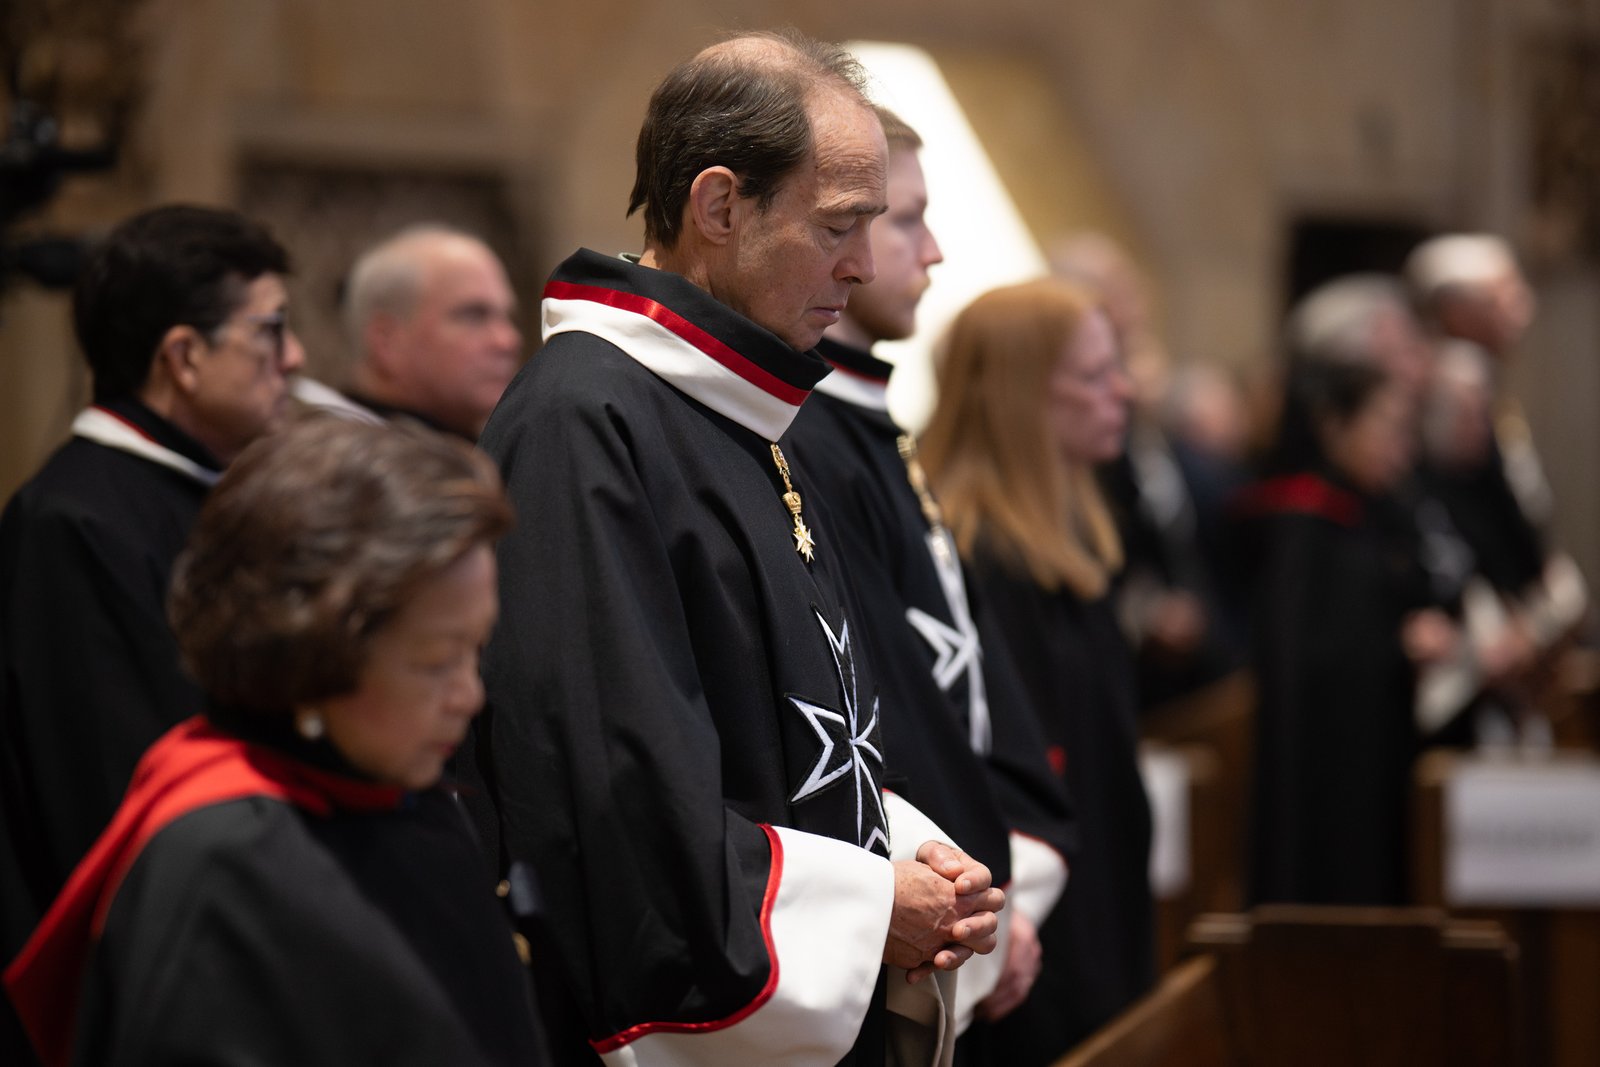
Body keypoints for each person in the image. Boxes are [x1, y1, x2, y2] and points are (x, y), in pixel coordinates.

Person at [460, 31, 1002, 1067]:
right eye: (837, 224)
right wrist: (866, 907)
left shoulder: (740, 406)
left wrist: (909, 848)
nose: (860, 263)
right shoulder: (585, 420)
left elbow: (797, 726)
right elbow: (612, 786)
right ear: (718, 207)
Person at [5, 417, 546, 1067]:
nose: (470, 695)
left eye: (476, 650)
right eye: (436, 662)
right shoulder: (224, 865)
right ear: (312, 651)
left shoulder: (398, 787)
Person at [781, 107, 1076, 1063]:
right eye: (903, 220)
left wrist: (1020, 871)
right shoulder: (807, 437)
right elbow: (884, 704)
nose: (932, 250)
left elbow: (967, 666)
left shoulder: (871, 422)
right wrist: (983, 901)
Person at [0, 205, 304, 974]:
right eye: (271, 330)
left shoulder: (206, 492)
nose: (296, 356)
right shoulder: (74, 522)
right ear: (184, 356)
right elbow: (119, 790)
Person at [921, 279, 1154, 1063]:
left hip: (1097, 908)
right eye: (1094, 375)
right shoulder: (980, 563)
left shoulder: (1072, 544)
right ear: (1021, 396)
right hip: (1038, 951)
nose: (1122, 390)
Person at [1233, 356, 1455, 905]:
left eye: (1406, 430)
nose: (1400, 448)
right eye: (1387, 427)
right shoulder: (1306, 519)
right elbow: (1302, 656)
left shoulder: (1384, 510)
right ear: (1336, 427)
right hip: (1327, 765)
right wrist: (1397, 646)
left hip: (1384, 745)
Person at [1406, 234, 1586, 745]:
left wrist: (1539, 619)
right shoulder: (1420, 408)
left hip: (1519, 644)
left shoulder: (1499, 409)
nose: (1522, 309)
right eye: (1502, 295)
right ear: (1456, 310)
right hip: (1458, 663)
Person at [294, 224, 522, 439]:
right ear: (386, 342)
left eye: (509, 317)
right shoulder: (343, 461)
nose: (508, 341)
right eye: (473, 316)